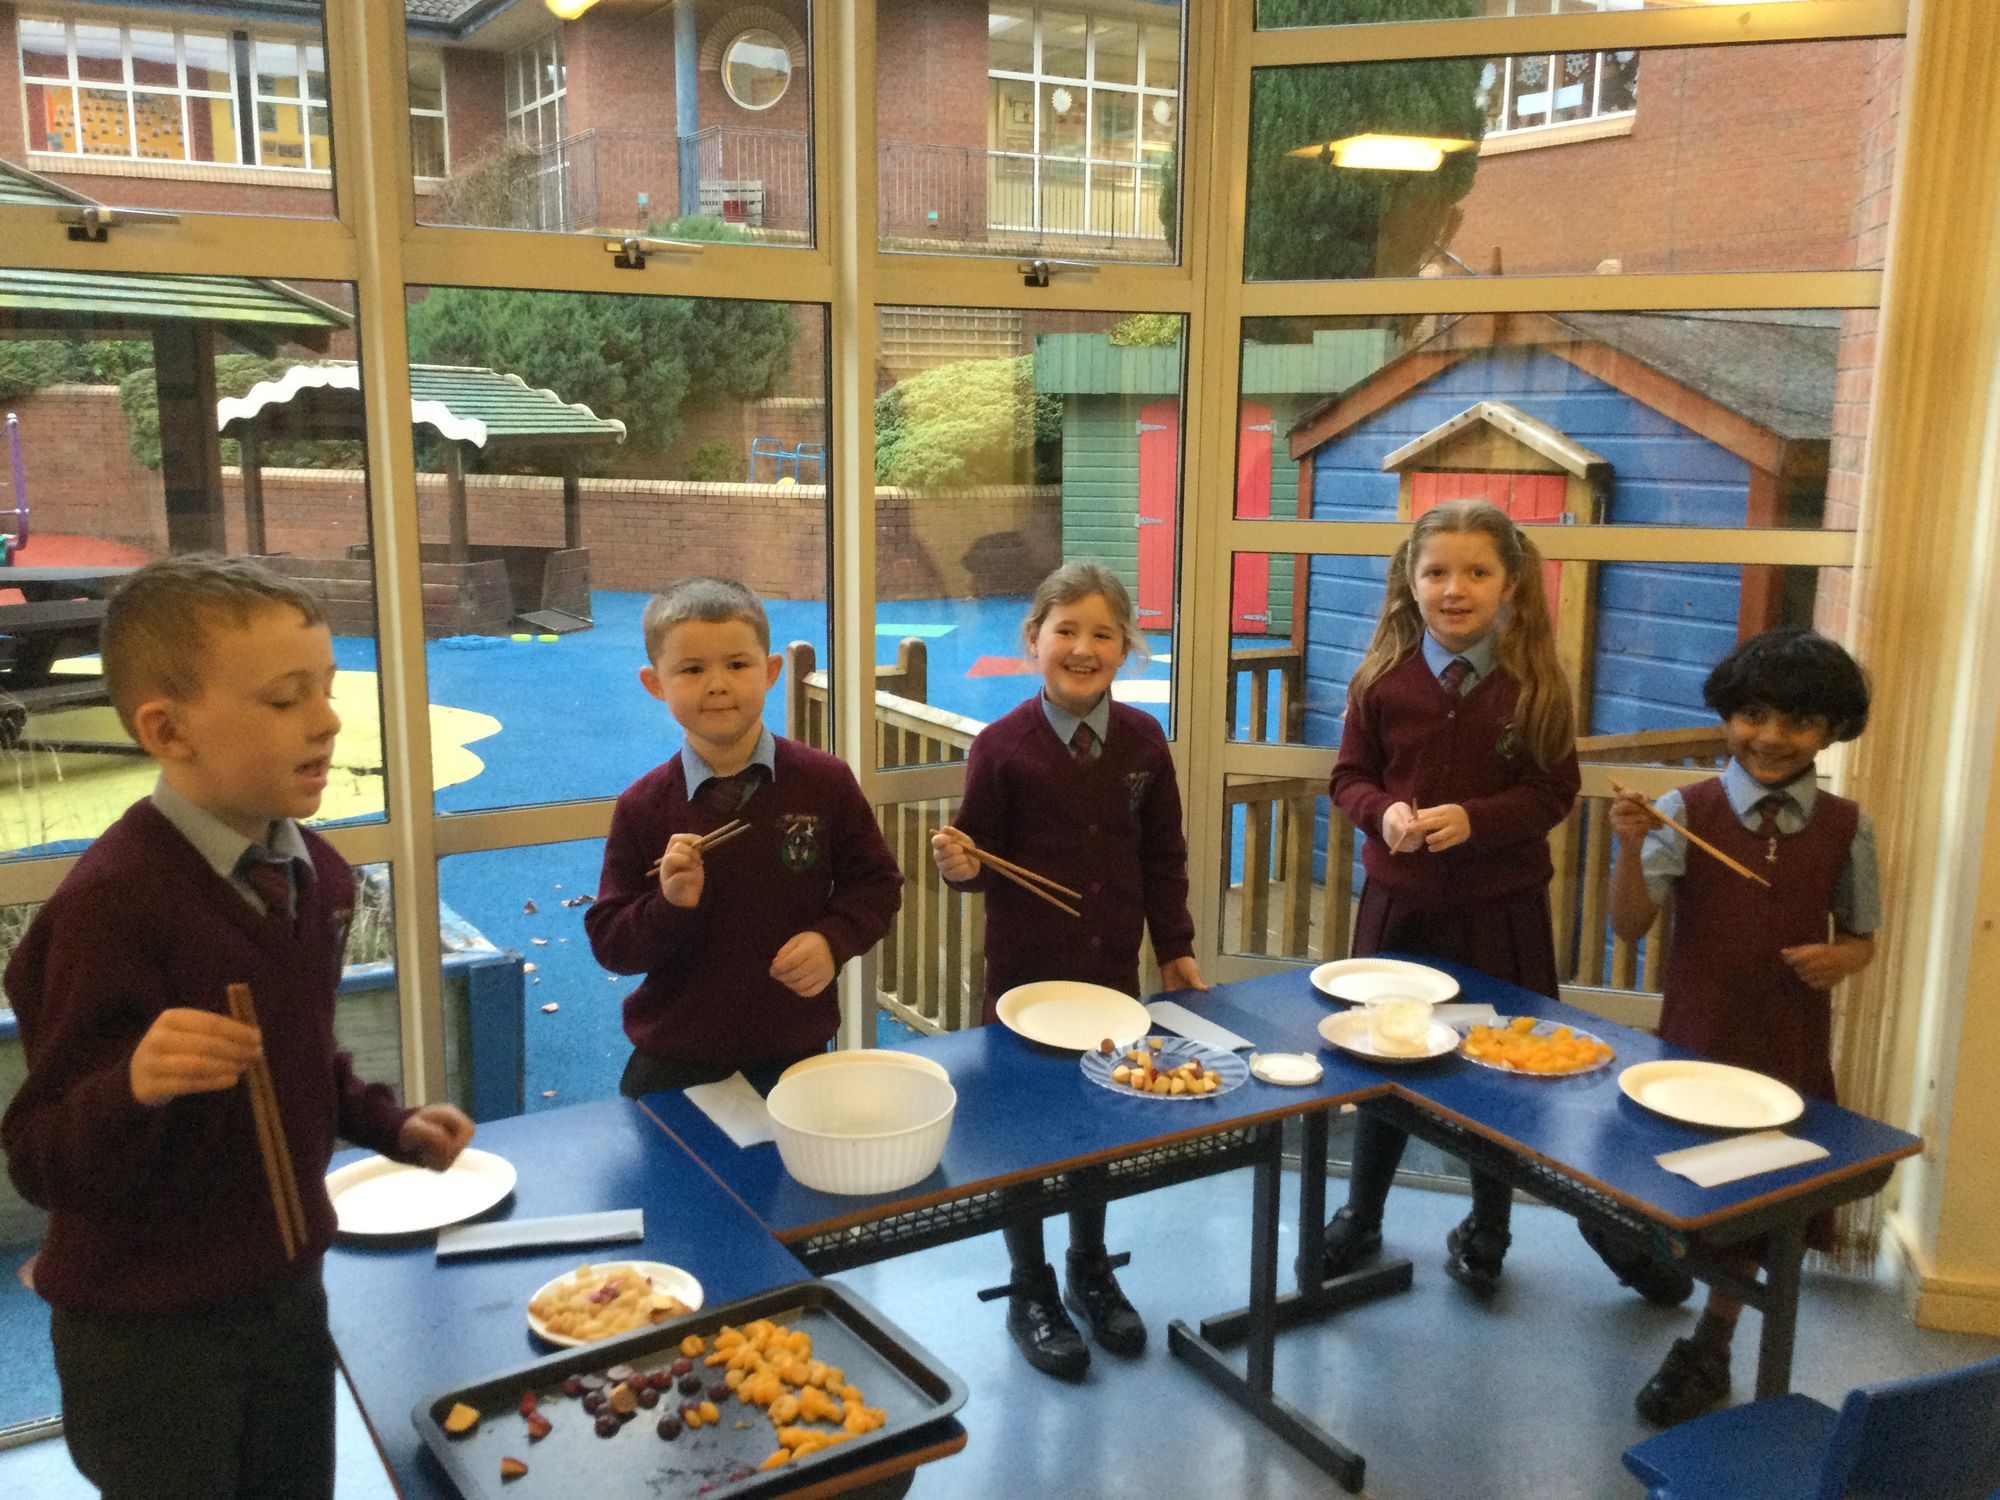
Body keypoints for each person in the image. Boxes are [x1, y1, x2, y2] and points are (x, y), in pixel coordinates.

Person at [1, 554, 475, 1500]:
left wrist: (389, 1125)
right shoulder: (110, 910)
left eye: (327, 689)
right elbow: (39, 1158)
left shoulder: (319, 877)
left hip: (287, 1292)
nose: (326, 719)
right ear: (167, 731)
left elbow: (299, 1057)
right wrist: (132, 1086)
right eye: (284, 699)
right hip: (148, 1335)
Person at [931, 561, 1206, 1380]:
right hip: (1023, 983)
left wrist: (1177, 947)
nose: (1083, 648)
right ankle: (1029, 1285)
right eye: (1066, 631)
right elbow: (977, 859)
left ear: (1127, 648)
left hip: (1110, 978)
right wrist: (958, 865)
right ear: (1033, 640)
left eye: (1103, 634)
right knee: (1022, 1135)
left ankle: (1090, 1267)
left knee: (1096, 1128)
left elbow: (1162, 856)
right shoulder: (1001, 747)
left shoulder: (1144, 742)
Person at [1608, 627, 1877, 1427]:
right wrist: (1630, 849)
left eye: (1800, 721)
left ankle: (1713, 1338)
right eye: (1754, 714)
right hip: (1694, 1042)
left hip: (1787, 1047)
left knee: (1759, 1202)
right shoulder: (1683, 811)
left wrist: (1843, 958)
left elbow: (1861, 936)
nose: (1772, 736)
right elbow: (1629, 925)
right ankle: (1657, 1259)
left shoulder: (1847, 825)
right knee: (1658, 1181)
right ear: (1727, 715)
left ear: (1832, 729)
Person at [1323, 500, 1580, 1294]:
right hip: (1400, 913)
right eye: (1436, 572)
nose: (1454, 589)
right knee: (1384, 1061)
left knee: (1498, 1072)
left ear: (1511, 584)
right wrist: (1381, 812)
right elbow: (1348, 778)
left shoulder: (1536, 686)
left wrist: (1476, 820)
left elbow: (1554, 793)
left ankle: (1489, 1226)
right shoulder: (1381, 681)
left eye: (1476, 572)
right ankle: (1362, 1215)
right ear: (1411, 580)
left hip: (1502, 916)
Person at [587, 577, 902, 1096]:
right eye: (692, 669)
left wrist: (832, 940)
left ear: (770, 671)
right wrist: (667, 905)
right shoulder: (642, 806)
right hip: (674, 1055)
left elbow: (877, 886)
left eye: (737, 665)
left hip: (796, 1049)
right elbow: (611, 944)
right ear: (655, 683)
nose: (717, 684)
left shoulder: (824, 782)